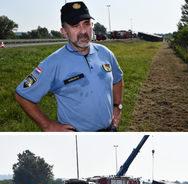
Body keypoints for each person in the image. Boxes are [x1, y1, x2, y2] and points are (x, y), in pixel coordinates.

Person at [14, 1, 124, 132]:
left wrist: (117, 106)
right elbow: (22, 96)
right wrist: (48, 125)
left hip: (109, 130)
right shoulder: (53, 63)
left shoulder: (105, 53)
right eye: (75, 26)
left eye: (86, 24)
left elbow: (117, 79)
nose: (83, 31)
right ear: (64, 32)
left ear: (92, 26)